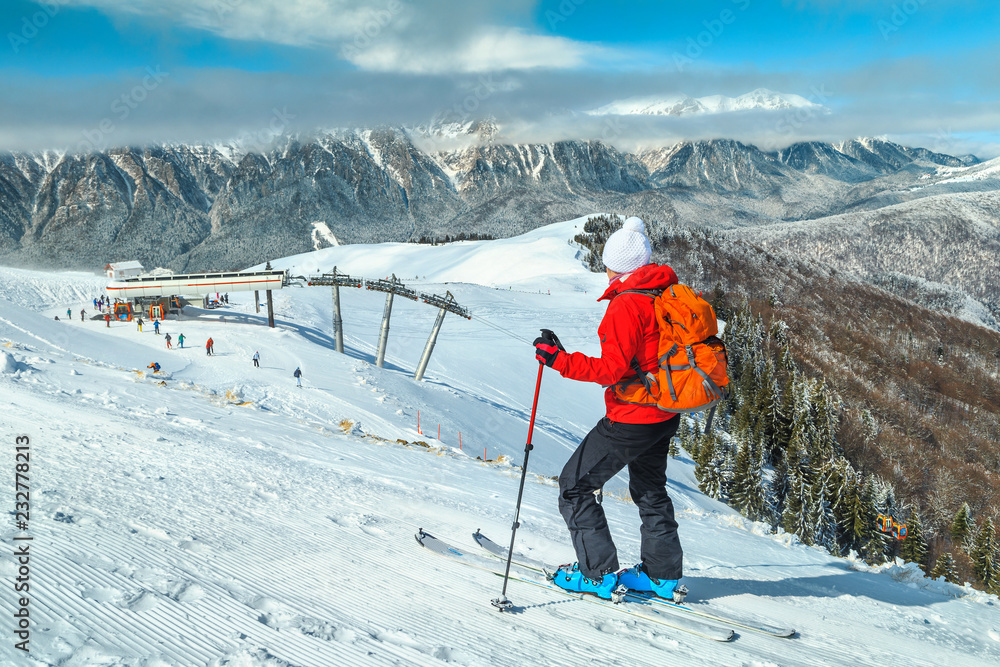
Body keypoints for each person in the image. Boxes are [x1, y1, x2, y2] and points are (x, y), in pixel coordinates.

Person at [534, 217, 683, 601]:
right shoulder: (665, 291)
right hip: (664, 412)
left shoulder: (626, 305)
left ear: (615, 265)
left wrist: (559, 360)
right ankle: (661, 577)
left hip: (632, 416)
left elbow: (612, 370)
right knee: (650, 490)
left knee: (574, 485)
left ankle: (597, 574)